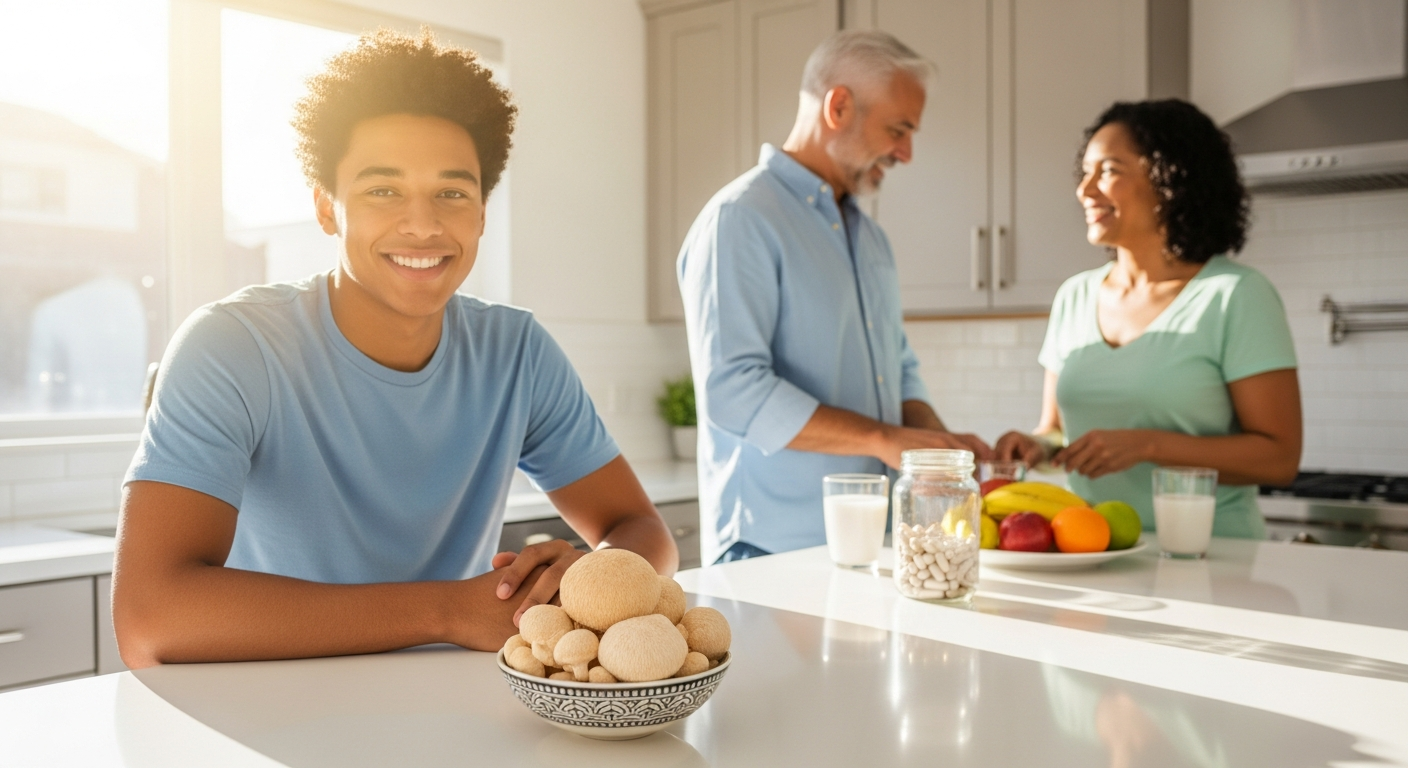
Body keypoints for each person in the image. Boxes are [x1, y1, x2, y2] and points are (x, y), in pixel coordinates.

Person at [113, 31, 677, 668]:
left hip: (448, 702)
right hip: (265, 707)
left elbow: (644, 531)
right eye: (383, 190)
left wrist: (584, 579)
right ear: (328, 208)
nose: (423, 224)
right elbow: (149, 618)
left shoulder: (517, 351)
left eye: (452, 192)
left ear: (483, 213)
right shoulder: (233, 346)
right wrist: (446, 610)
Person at [678, 31, 991, 565]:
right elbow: (734, 390)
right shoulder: (742, 219)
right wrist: (881, 438)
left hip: (872, 545)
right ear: (839, 106)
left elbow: (900, 366)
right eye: (898, 130)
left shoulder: (870, 239)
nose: (906, 153)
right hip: (769, 549)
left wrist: (936, 447)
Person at [995, 99, 1302, 538]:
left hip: (1211, 557)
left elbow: (1278, 459)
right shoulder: (1076, 295)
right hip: (1093, 548)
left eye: (1108, 171)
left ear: (1169, 179)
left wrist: (1148, 445)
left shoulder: (1236, 296)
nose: (1085, 190)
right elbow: (1059, 431)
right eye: (1085, 173)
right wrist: (1035, 445)